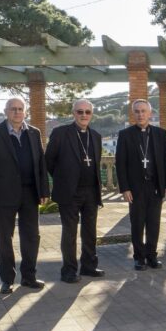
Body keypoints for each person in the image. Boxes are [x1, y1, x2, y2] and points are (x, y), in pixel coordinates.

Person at [0, 97, 50, 294]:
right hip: (3, 196)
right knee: (5, 238)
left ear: (25, 112)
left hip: (30, 193)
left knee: (31, 237)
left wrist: (44, 190)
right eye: (13, 109)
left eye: (20, 109)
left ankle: (29, 277)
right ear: (6, 111)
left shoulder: (34, 133)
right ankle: (7, 280)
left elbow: (41, 165)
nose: (17, 112)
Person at [45, 99, 105, 283]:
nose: (84, 115)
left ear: (91, 114)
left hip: (91, 191)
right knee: (70, 233)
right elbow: (49, 161)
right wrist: (64, 178)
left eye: (87, 112)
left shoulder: (95, 136)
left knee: (90, 232)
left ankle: (89, 266)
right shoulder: (61, 133)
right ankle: (69, 271)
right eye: (80, 112)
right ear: (73, 113)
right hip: (69, 192)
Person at [115, 99, 166, 271]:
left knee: (154, 223)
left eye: (143, 111)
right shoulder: (125, 135)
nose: (140, 114)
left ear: (150, 114)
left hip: (155, 186)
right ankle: (139, 258)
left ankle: (152, 256)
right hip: (135, 188)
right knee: (137, 223)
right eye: (137, 111)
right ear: (134, 114)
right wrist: (124, 188)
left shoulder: (160, 134)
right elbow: (120, 163)